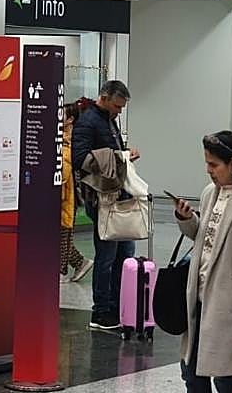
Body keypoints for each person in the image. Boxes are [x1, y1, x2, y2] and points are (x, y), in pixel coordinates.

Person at [173, 131, 232, 393]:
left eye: (214, 165)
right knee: (192, 374)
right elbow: (202, 235)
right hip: (199, 297)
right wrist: (186, 219)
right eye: (207, 163)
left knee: (226, 376)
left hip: (228, 303)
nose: (208, 170)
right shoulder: (208, 193)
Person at [72, 79, 140, 332]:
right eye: (116, 106)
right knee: (107, 256)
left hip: (116, 194)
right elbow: (78, 159)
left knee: (125, 253)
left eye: (121, 108)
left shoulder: (109, 120)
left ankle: (116, 306)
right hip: (100, 198)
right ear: (104, 97)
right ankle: (101, 311)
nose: (119, 111)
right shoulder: (88, 121)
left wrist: (122, 156)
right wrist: (117, 157)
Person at [59, 100, 94, 283]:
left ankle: (62, 271)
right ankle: (81, 262)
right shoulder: (63, 139)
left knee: (62, 236)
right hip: (63, 199)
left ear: (70, 120)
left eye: (62, 115)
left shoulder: (68, 143)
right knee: (61, 236)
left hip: (66, 198)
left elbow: (63, 173)